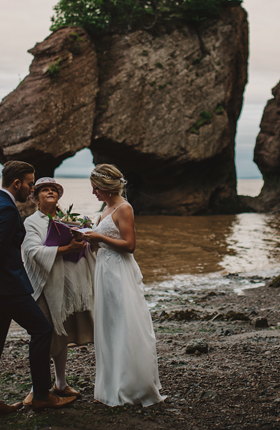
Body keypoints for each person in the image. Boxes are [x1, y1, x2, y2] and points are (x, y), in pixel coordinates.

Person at [0, 161, 76, 418]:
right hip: (8, 288)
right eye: (29, 183)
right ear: (17, 183)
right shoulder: (7, 210)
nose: (31, 188)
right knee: (42, 330)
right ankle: (41, 396)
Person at [81, 164, 166, 407]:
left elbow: (129, 245)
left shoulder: (124, 208)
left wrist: (98, 237)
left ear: (106, 187)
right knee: (109, 324)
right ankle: (111, 383)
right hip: (104, 271)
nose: (94, 192)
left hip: (119, 271)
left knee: (125, 323)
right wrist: (87, 239)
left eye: (95, 188)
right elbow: (99, 246)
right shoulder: (104, 210)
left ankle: (132, 385)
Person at [20, 177, 95, 404]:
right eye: (44, 190)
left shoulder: (67, 219)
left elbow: (86, 244)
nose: (50, 192)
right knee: (44, 336)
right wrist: (66, 248)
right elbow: (32, 251)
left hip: (66, 286)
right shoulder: (31, 222)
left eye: (53, 189)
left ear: (59, 196)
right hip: (44, 285)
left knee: (61, 333)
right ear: (35, 197)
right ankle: (37, 387)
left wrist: (83, 240)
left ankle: (60, 383)